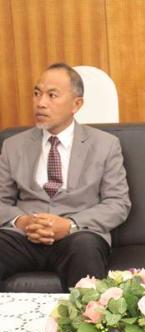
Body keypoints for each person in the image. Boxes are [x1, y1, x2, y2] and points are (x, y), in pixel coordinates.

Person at [0, 63, 131, 291]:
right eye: (37, 93)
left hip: (78, 236)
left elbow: (118, 203)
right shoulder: (13, 145)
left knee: (85, 248)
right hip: (24, 236)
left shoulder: (105, 145)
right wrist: (23, 222)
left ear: (76, 104)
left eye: (52, 95)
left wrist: (70, 224)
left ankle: (87, 315)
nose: (41, 103)